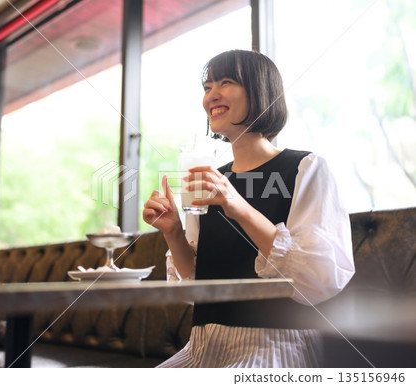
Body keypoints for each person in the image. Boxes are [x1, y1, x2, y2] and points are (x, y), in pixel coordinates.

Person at [142, 49, 355, 368]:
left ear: (260, 91)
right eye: (207, 86)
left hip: (275, 345)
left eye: (225, 82)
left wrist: (236, 205)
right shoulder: (212, 179)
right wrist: (173, 231)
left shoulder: (305, 168)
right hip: (204, 346)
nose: (211, 95)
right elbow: (198, 284)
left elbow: (319, 279)